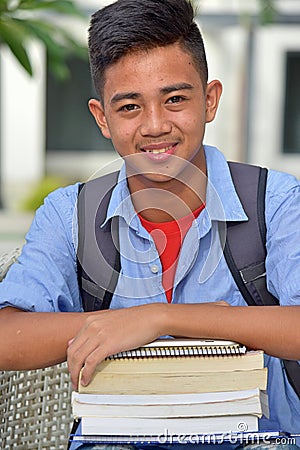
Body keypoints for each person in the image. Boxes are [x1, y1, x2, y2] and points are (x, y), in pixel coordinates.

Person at [0, 0, 299, 449]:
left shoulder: (276, 202)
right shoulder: (70, 213)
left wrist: (157, 318)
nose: (156, 125)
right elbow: (7, 337)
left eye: (175, 99)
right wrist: (124, 323)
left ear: (210, 99)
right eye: (129, 107)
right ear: (102, 118)